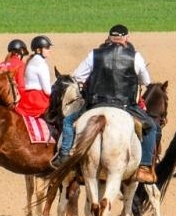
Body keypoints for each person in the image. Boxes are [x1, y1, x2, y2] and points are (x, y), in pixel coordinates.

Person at [51, 25, 160, 183]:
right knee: (151, 127)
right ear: (126, 38)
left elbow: (77, 76)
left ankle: (64, 156)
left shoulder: (94, 55)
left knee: (69, 121)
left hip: (96, 103)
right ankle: (144, 167)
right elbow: (146, 81)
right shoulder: (135, 57)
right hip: (125, 105)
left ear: (109, 38)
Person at [20, 36, 55, 118]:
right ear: (39, 50)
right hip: (38, 100)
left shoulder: (30, 61)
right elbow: (48, 91)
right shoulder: (42, 65)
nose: (50, 50)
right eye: (47, 48)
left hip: (26, 99)